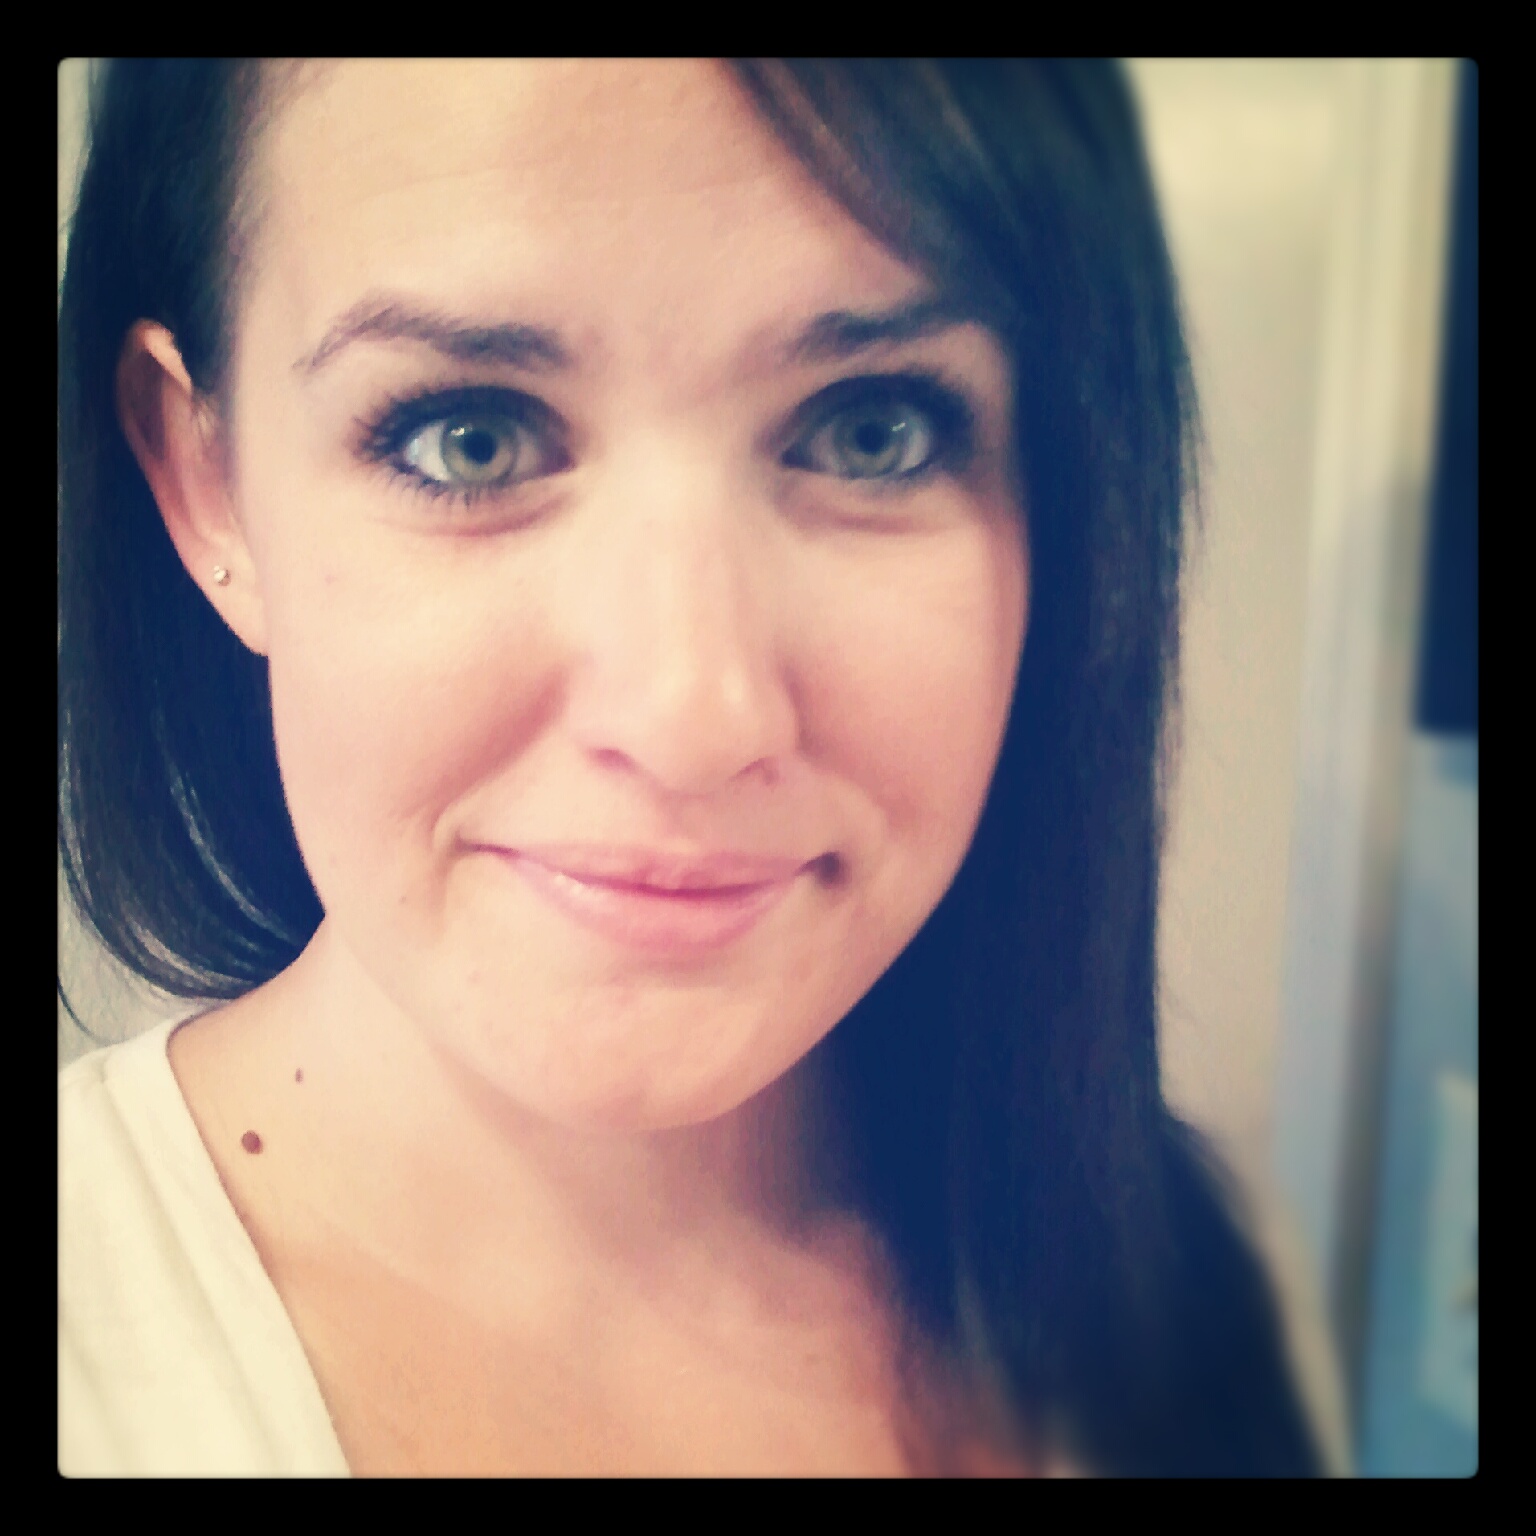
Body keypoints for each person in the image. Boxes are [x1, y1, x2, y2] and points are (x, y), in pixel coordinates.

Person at [58, 58, 1328, 1477]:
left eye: (873, 432)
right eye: (469, 437)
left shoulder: (1189, 1284)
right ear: (207, 483)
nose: (692, 719)